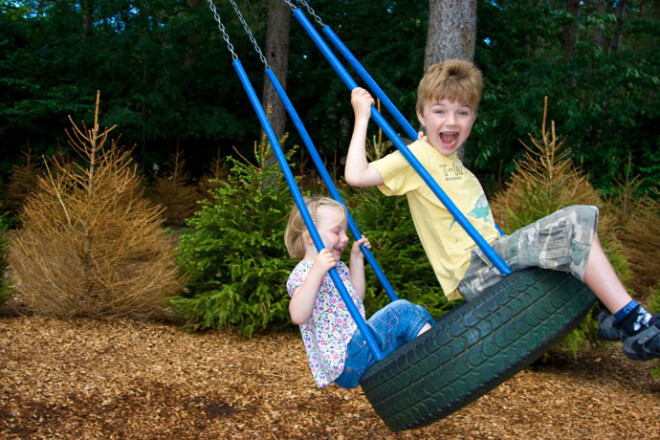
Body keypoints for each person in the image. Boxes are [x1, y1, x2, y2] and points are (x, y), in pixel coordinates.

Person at [344, 59, 659, 361]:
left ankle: (609, 313)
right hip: (476, 269)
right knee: (575, 220)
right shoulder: (417, 157)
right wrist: (362, 117)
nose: (451, 121)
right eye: (439, 111)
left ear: (473, 118)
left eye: (462, 112)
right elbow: (355, 175)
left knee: (571, 246)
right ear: (421, 115)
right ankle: (631, 322)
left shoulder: (458, 169)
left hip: (493, 258)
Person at [285, 196, 434, 389]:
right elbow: (298, 315)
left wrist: (356, 258)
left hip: (357, 348)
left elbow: (355, 298)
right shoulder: (304, 272)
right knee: (403, 311)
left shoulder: (337, 267)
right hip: (345, 358)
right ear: (308, 237)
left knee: (417, 313)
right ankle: (437, 357)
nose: (345, 238)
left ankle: (421, 376)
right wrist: (317, 271)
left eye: (345, 232)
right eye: (336, 231)